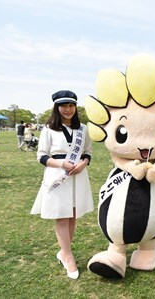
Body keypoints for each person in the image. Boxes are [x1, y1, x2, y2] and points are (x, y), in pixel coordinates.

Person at [30, 90, 94, 279]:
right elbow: (41, 156)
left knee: (72, 215)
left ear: (75, 107)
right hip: (58, 175)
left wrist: (83, 163)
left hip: (78, 176)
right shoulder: (49, 129)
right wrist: (61, 164)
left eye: (71, 105)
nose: (68, 109)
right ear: (57, 108)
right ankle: (68, 256)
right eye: (64, 106)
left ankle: (63, 252)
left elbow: (88, 151)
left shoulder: (83, 129)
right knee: (61, 216)